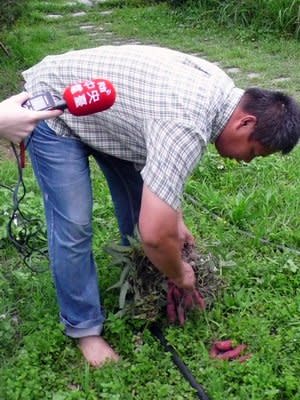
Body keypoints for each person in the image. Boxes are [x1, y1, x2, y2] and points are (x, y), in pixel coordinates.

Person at [22, 45, 300, 367]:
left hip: (110, 117)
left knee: (144, 210)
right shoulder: (188, 124)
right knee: (74, 224)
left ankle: (144, 279)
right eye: (253, 152)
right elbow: (155, 235)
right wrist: (181, 273)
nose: (247, 161)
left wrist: (175, 222)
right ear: (245, 123)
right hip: (54, 105)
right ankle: (85, 330)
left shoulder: (225, 96)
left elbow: (163, 180)